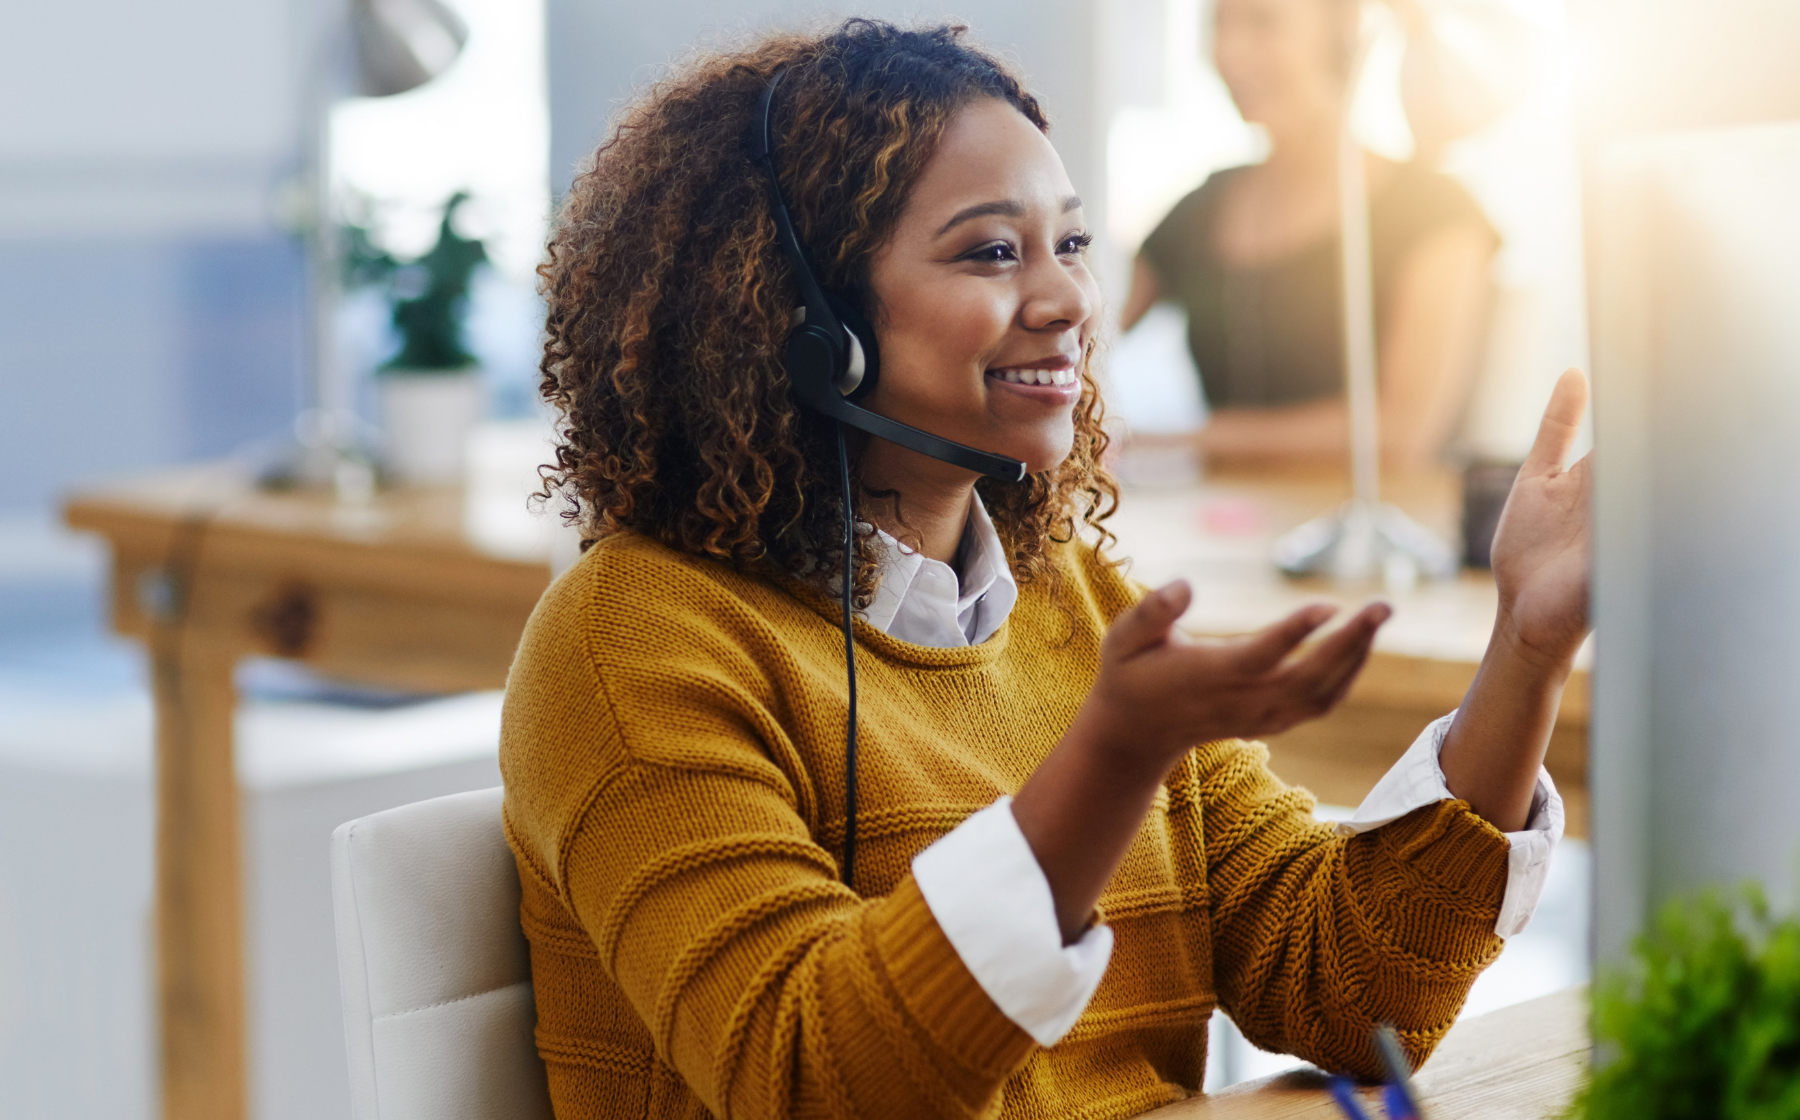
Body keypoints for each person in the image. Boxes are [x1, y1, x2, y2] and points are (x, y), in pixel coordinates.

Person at [503, 20, 1588, 1119]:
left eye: (1070, 245)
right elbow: (809, 1081)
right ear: (807, 321)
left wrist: (1528, 647)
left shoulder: (1074, 601)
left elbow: (1354, 990)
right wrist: (1115, 753)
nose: (1070, 301)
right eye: (990, 251)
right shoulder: (629, 638)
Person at [1119, 0, 1500, 470]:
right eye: (1219, 23)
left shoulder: (1434, 211)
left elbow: (1400, 432)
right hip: (1221, 523)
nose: (1228, 50)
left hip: (1377, 529)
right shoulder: (1202, 206)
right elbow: (1085, 324)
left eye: (1263, 22)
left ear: (1344, 29)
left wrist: (1171, 440)